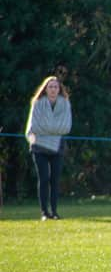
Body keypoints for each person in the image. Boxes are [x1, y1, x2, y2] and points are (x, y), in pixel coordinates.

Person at [25, 76, 72, 221]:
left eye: (55, 87)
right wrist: (52, 129)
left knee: (55, 179)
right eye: (50, 87)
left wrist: (48, 129)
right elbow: (35, 127)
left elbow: (66, 127)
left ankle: (55, 211)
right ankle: (44, 212)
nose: (53, 89)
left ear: (59, 89)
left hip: (58, 146)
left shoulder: (65, 104)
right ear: (45, 89)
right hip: (38, 146)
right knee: (44, 178)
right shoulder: (38, 103)